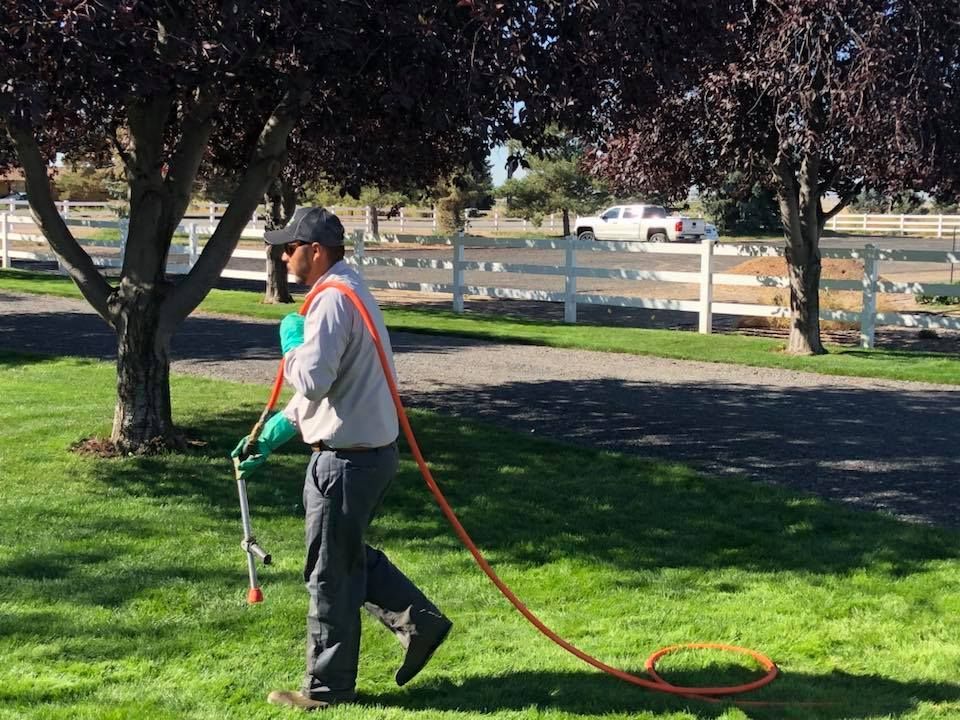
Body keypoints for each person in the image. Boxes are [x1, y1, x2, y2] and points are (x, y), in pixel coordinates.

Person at [231, 207, 452, 712]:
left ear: (316, 250)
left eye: (290, 247)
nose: (283, 255)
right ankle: (420, 623)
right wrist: (274, 433)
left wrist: (289, 341)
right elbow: (332, 387)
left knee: (329, 573)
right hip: (363, 455)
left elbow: (312, 379)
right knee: (342, 556)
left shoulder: (331, 300)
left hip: (347, 462)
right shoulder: (348, 289)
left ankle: (326, 690)